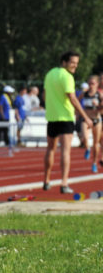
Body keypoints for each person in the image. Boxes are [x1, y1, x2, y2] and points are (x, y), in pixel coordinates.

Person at [43, 51, 91, 194]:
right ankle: (64, 183)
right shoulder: (67, 76)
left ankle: (46, 180)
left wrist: (52, 106)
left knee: (50, 149)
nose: (75, 66)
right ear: (64, 62)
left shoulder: (50, 74)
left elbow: (44, 95)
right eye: (72, 63)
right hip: (65, 118)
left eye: (76, 63)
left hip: (52, 117)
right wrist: (85, 117)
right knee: (65, 151)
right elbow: (72, 98)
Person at [80, 75, 101, 171]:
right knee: (84, 137)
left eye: (93, 83)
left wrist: (99, 105)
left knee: (96, 143)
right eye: (89, 83)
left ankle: (94, 163)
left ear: (97, 84)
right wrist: (77, 112)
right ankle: (87, 148)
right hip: (86, 119)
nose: (91, 85)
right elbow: (75, 101)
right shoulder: (84, 93)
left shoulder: (99, 94)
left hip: (96, 120)